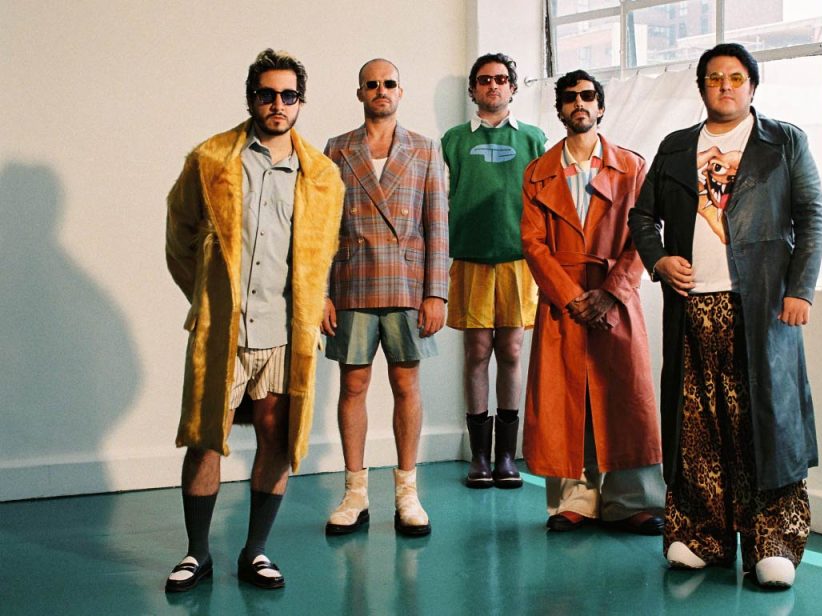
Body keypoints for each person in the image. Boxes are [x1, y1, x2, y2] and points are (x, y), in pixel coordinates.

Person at [628, 42, 822, 588]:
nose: (725, 86)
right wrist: (659, 259)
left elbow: (811, 217)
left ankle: (773, 543)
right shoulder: (674, 147)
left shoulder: (783, 142)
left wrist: (800, 290)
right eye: (714, 78)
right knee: (696, 427)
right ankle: (700, 537)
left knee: (764, 425)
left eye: (736, 78)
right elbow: (642, 216)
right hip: (693, 308)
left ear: (752, 86)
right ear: (701, 88)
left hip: (761, 309)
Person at [164, 48, 344, 592]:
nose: (277, 104)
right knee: (205, 438)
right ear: (251, 98)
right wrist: (208, 298)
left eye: (289, 95)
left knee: (276, 435)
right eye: (267, 94)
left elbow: (322, 254)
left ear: (301, 102)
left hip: (284, 333)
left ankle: (256, 551)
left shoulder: (323, 176)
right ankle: (197, 553)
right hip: (223, 329)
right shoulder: (211, 159)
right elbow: (179, 240)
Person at [520, 69, 664, 535]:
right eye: (569, 97)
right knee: (566, 398)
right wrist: (570, 297)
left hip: (615, 297)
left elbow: (645, 234)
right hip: (562, 300)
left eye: (587, 96)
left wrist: (611, 293)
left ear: (601, 106)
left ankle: (633, 499)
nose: (578, 103)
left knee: (625, 396)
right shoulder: (537, 172)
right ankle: (575, 500)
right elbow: (532, 243)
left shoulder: (632, 167)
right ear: (559, 109)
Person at [322, 58, 448, 537]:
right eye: (371, 84)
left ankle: (407, 493)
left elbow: (437, 224)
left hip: (407, 284)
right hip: (352, 282)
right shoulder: (337, 148)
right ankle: (354, 493)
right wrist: (320, 293)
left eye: (389, 83)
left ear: (401, 91)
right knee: (352, 386)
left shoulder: (424, 148)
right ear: (360, 93)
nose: (381, 90)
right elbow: (322, 226)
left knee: (406, 385)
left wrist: (436, 292)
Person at [441, 53, 546, 489]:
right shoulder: (452, 140)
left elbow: (546, 199)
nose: (493, 86)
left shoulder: (533, 138)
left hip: (519, 259)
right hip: (471, 258)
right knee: (477, 352)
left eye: (501, 79)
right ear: (473, 89)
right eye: (484, 80)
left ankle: (507, 455)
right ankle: (479, 456)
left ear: (513, 88)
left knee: (513, 352)